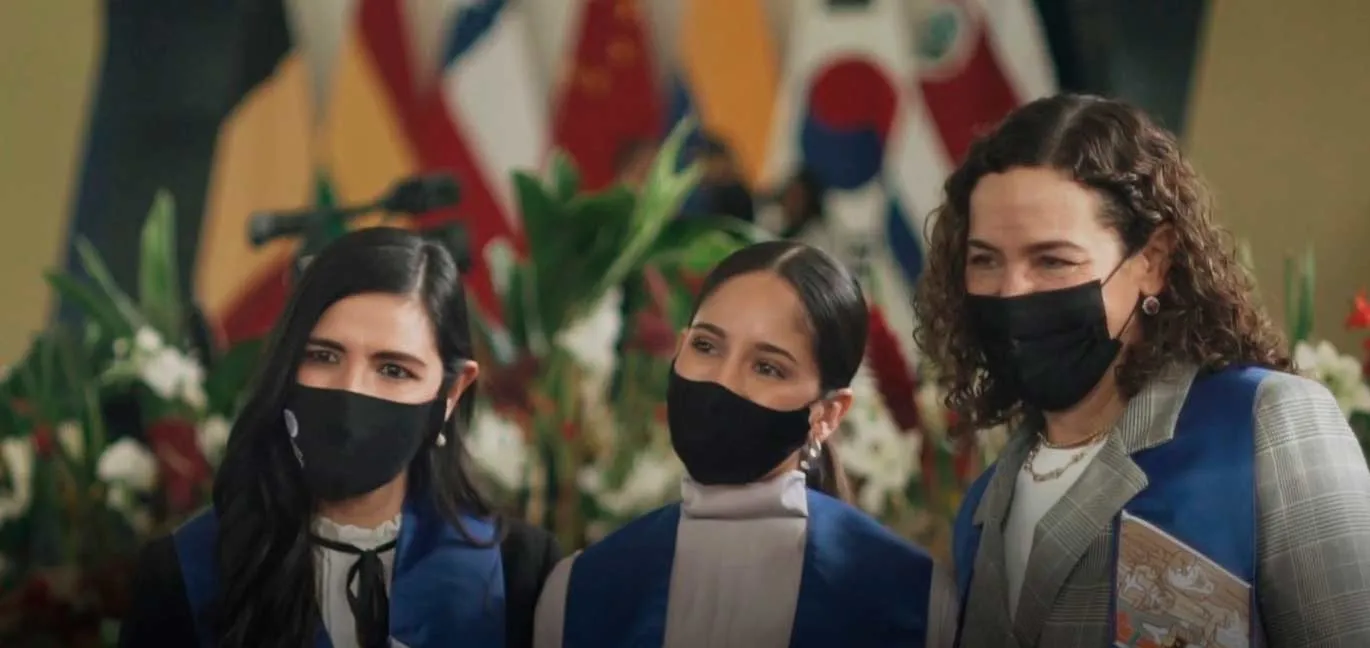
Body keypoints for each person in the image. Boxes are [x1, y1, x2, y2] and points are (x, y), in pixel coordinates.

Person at [913, 94, 1370, 647]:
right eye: (985, 260)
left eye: (1052, 260)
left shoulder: (1262, 426)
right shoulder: (984, 505)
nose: (1012, 293)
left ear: (1151, 262)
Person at [118, 227, 561, 648]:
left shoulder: (519, 573)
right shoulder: (185, 573)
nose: (352, 390)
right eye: (324, 355)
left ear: (450, 392)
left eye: (393, 369)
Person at [534, 240, 957, 648]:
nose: (723, 380)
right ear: (679, 349)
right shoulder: (577, 592)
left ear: (827, 415)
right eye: (706, 346)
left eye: (767, 367)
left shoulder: (915, 602)